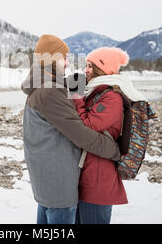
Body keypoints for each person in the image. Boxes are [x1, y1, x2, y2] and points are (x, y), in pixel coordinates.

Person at [21, 34, 121, 224]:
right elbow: (81, 134)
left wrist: (79, 81)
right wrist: (114, 150)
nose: (67, 63)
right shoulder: (49, 91)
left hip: (46, 179)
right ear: (51, 59)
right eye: (63, 58)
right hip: (59, 184)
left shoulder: (41, 85)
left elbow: (63, 90)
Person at [72, 47, 149, 224]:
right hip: (87, 173)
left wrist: (75, 95)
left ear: (103, 69)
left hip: (99, 179)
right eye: (86, 65)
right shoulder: (94, 92)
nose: (85, 70)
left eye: (90, 66)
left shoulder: (112, 97)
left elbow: (88, 126)